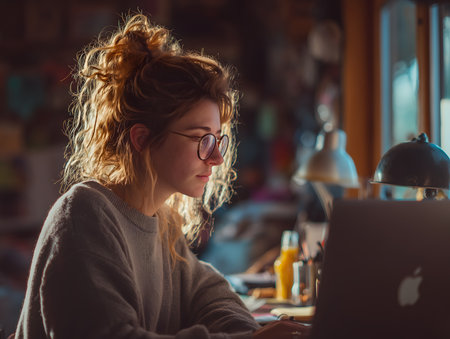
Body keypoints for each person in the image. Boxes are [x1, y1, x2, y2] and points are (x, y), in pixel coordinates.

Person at [14, 13, 309, 339]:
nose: (217, 157)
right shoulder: (86, 215)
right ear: (141, 139)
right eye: (202, 139)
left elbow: (210, 297)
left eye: (217, 139)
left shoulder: (163, 221)